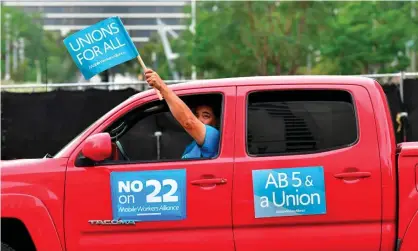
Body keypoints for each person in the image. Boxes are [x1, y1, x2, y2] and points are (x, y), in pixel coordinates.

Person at [144, 69, 220, 159]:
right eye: (196, 115)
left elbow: (189, 122)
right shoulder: (194, 144)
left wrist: (162, 87)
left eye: (206, 116)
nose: (199, 119)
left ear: (217, 121)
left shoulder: (214, 137)